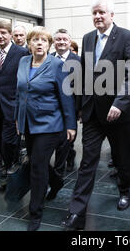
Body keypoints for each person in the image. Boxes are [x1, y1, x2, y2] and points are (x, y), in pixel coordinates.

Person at [61, 0, 130, 230]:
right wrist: (80, 109)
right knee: (88, 161)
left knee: (123, 156)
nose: (97, 16)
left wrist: (121, 102)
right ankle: (77, 212)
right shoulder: (87, 38)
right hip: (93, 112)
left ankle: (125, 191)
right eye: (94, 13)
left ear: (112, 15)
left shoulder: (126, 36)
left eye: (102, 12)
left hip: (117, 112)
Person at [15, 26, 76, 231]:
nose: (39, 43)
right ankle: (57, 182)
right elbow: (19, 93)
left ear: (49, 45)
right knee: (35, 161)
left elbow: (65, 96)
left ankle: (35, 213)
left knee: (37, 168)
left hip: (50, 124)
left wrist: (71, 124)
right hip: (28, 123)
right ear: (29, 44)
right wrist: (18, 119)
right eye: (35, 40)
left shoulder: (57, 64)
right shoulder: (23, 62)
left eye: (43, 40)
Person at [0, 20, 29, 186]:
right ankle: (9, 167)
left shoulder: (22, 53)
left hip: (13, 105)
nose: (0, 36)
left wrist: (22, 105)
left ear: (10, 34)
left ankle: (11, 168)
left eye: (4, 33)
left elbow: (25, 81)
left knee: (9, 141)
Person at [50, 29, 81, 176]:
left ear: (69, 42)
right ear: (53, 42)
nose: (61, 42)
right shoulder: (47, 59)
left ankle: (59, 172)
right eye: (58, 39)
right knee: (57, 140)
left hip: (70, 108)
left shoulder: (78, 61)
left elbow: (82, 87)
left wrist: (80, 109)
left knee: (67, 139)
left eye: (65, 40)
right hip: (50, 108)